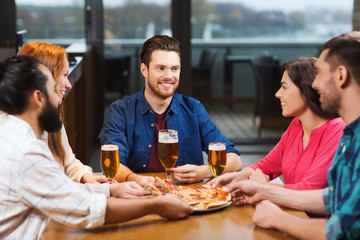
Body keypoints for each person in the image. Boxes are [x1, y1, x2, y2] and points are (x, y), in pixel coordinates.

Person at [0, 55, 193, 239]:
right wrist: (157, 205)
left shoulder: (9, 131)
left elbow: (63, 190)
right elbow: (85, 208)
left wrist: (111, 190)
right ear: (38, 98)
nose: (63, 92)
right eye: (53, 89)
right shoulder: (26, 152)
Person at [220, 32, 360, 239]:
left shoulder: (344, 134)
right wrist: (261, 190)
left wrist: (276, 216)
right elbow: (333, 198)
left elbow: (342, 230)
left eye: (319, 73)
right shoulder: (351, 135)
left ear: (341, 75)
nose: (314, 84)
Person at [99, 35, 242, 184]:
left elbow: (235, 160)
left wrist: (204, 171)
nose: (169, 76)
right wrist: (138, 180)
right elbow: (113, 166)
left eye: (174, 69)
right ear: (144, 70)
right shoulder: (119, 111)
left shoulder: (194, 108)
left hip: (190, 199)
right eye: (160, 68)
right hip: (140, 196)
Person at [209, 57, 345, 190]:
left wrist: (263, 186)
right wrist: (236, 177)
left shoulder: (337, 130)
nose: (277, 94)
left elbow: (309, 190)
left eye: (284, 87)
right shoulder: (297, 125)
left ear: (306, 90)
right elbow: (266, 166)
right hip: (291, 211)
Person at [17, 41, 104, 184]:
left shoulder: (50, 115)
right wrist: (107, 192)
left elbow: (68, 162)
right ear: (44, 78)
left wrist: (85, 176)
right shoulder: (15, 132)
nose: (69, 84)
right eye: (64, 75)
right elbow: (51, 192)